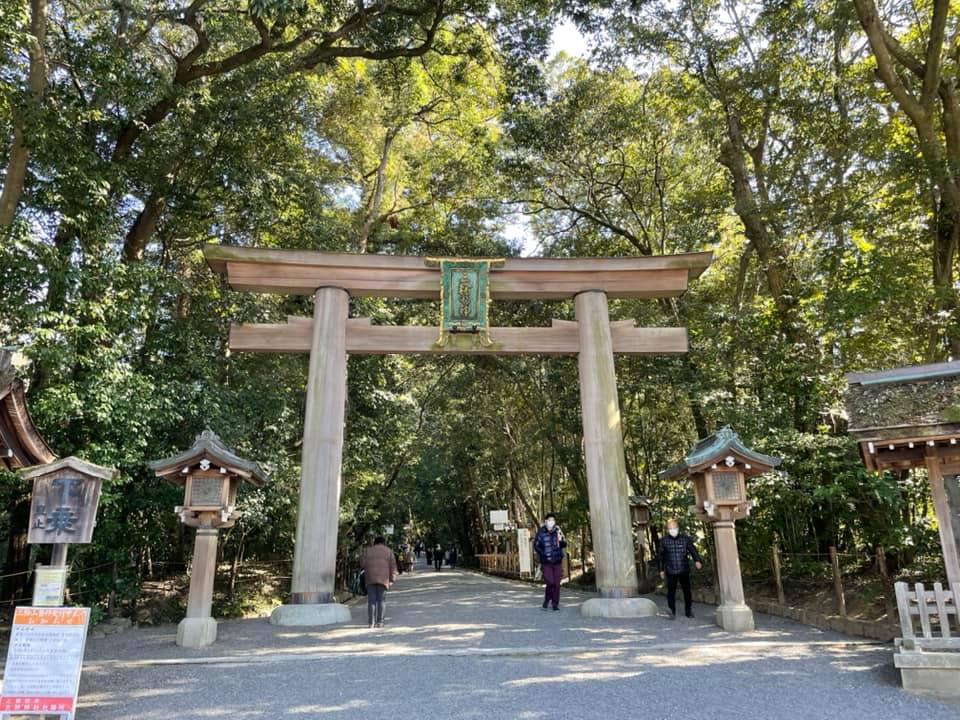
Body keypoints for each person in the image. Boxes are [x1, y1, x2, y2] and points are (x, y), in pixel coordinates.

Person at [657, 518, 702, 619]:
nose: (673, 530)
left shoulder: (685, 539)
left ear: (678, 528)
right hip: (670, 570)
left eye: (674, 527)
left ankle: (688, 610)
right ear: (667, 529)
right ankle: (671, 611)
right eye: (670, 528)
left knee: (687, 591)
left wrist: (697, 560)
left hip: (683, 569)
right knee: (671, 592)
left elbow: (693, 550)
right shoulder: (663, 541)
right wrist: (661, 570)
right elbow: (660, 557)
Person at [361, 536, 397, 628]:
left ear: (375, 542)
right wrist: (392, 579)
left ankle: (371, 623)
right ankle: (380, 622)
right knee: (381, 600)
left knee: (371, 601)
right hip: (384, 579)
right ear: (384, 542)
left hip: (370, 578)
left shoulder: (367, 551)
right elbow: (393, 566)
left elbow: (362, 564)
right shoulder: (389, 551)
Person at [533, 512, 566, 611]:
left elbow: (564, 544)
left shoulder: (558, 531)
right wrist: (542, 554)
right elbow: (536, 545)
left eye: (553, 520)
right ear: (546, 521)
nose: (551, 522)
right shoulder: (541, 532)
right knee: (550, 582)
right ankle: (547, 599)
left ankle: (555, 603)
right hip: (546, 562)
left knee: (557, 584)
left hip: (557, 561)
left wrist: (561, 540)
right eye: (549, 520)